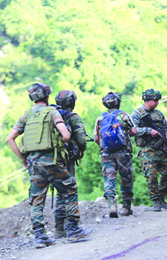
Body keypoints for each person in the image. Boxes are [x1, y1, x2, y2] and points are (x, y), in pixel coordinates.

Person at [6, 83, 91, 248]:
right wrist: (58, 146)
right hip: (50, 160)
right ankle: (73, 230)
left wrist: (23, 159)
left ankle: (40, 237)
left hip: (33, 163)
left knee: (37, 199)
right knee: (70, 188)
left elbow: (10, 139)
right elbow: (66, 135)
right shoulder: (52, 112)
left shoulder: (27, 115)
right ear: (47, 96)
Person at [131, 89, 167, 212]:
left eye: (158, 100)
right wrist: (149, 131)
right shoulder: (137, 114)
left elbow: (166, 128)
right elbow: (132, 130)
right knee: (151, 175)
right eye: (155, 100)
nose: (157, 103)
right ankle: (155, 200)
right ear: (146, 100)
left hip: (161, 148)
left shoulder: (159, 114)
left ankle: (160, 195)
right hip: (147, 149)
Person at [93, 92, 136, 217]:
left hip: (106, 152)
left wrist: (105, 145)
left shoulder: (100, 118)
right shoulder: (124, 115)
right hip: (123, 151)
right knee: (126, 178)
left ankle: (112, 205)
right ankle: (126, 207)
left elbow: (97, 138)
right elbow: (133, 131)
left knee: (109, 179)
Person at [53, 90, 87, 238]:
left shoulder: (51, 115)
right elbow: (81, 140)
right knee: (69, 189)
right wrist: (82, 150)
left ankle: (59, 229)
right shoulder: (73, 117)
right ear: (71, 102)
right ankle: (72, 228)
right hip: (67, 159)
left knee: (60, 191)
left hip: (51, 159)